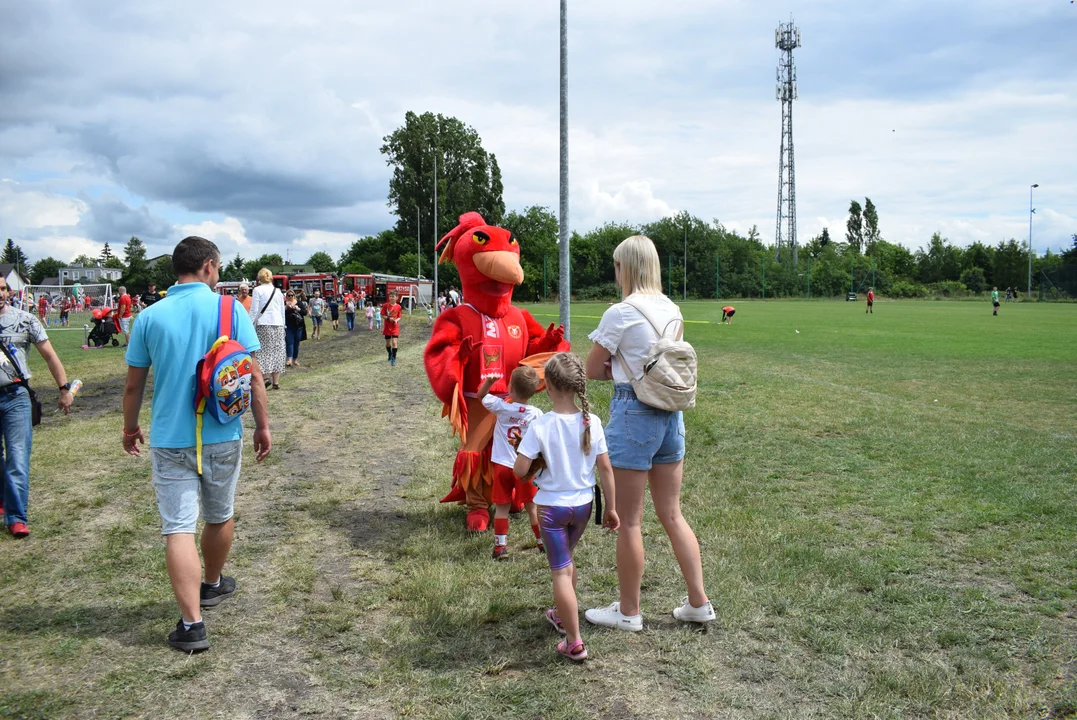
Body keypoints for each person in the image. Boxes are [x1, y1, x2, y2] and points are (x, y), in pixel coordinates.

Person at [122, 235, 271, 653]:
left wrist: (130, 428)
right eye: (218, 267)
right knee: (220, 515)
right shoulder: (230, 310)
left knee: (178, 528)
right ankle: (211, 584)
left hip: (170, 438)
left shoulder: (149, 317)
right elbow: (254, 376)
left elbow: (134, 387)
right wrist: (262, 426)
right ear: (208, 266)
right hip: (223, 431)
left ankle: (192, 625)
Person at [583, 234, 714, 631]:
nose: (615, 272)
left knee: (630, 520)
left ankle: (628, 611)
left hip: (632, 412)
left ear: (627, 268)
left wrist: (617, 368)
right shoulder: (673, 309)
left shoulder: (620, 312)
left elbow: (591, 368)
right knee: (673, 514)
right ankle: (698, 602)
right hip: (671, 417)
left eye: (617, 265)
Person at [514, 352, 617, 662]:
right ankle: (562, 616)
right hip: (583, 506)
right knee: (567, 560)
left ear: (547, 386)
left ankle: (574, 641)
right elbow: (606, 469)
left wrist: (533, 459)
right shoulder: (592, 421)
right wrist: (611, 508)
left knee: (560, 571)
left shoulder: (540, 425)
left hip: (551, 510)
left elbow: (519, 471)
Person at [0, 278, 75, 538]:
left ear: (8, 291)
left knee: (18, 457)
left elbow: (50, 355)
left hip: (15, 397)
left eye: (2, 288)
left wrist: (64, 388)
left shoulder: (26, 319)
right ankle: (4, 498)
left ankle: (16, 517)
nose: (0, 294)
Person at [477, 366, 545, 560]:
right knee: (532, 506)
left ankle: (501, 547)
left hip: (502, 465)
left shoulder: (501, 406)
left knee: (502, 507)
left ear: (511, 388)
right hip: (525, 467)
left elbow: (481, 396)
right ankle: (542, 542)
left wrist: (489, 382)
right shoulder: (536, 413)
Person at [248, 270, 285, 390]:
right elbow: (281, 310)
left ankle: (265, 377)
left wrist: (249, 324)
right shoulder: (278, 291)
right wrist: (283, 325)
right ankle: (276, 382)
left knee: (263, 352)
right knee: (277, 351)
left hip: (263, 324)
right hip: (278, 323)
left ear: (259, 278)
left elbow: (254, 310)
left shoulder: (257, 290)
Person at [284, 291, 304, 368]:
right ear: (286, 296)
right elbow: (280, 313)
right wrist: (286, 308)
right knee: (289, 342)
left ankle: (295, 359)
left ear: (294, 296)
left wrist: (297, 309)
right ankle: (289, 359)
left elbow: (304, 312)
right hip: (288, 326)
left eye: (292, 295)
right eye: (288, 295)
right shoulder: (283, 303)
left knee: (296, 343)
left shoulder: (298, 302)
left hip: (298, 326)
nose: (290, 296)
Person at [381, 292, 402, 365]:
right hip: (387, 327)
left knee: (394, 342)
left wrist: (396, 320)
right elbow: (382, 315)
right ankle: (389, 353)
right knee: (387, 344)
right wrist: (388, 318)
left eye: (393, 296)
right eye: (390, 296)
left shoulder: (398, 306)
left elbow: (399, 316)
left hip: (395, 327)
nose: (391, 298)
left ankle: (394, 358)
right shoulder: (385, 305)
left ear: (397, 297)